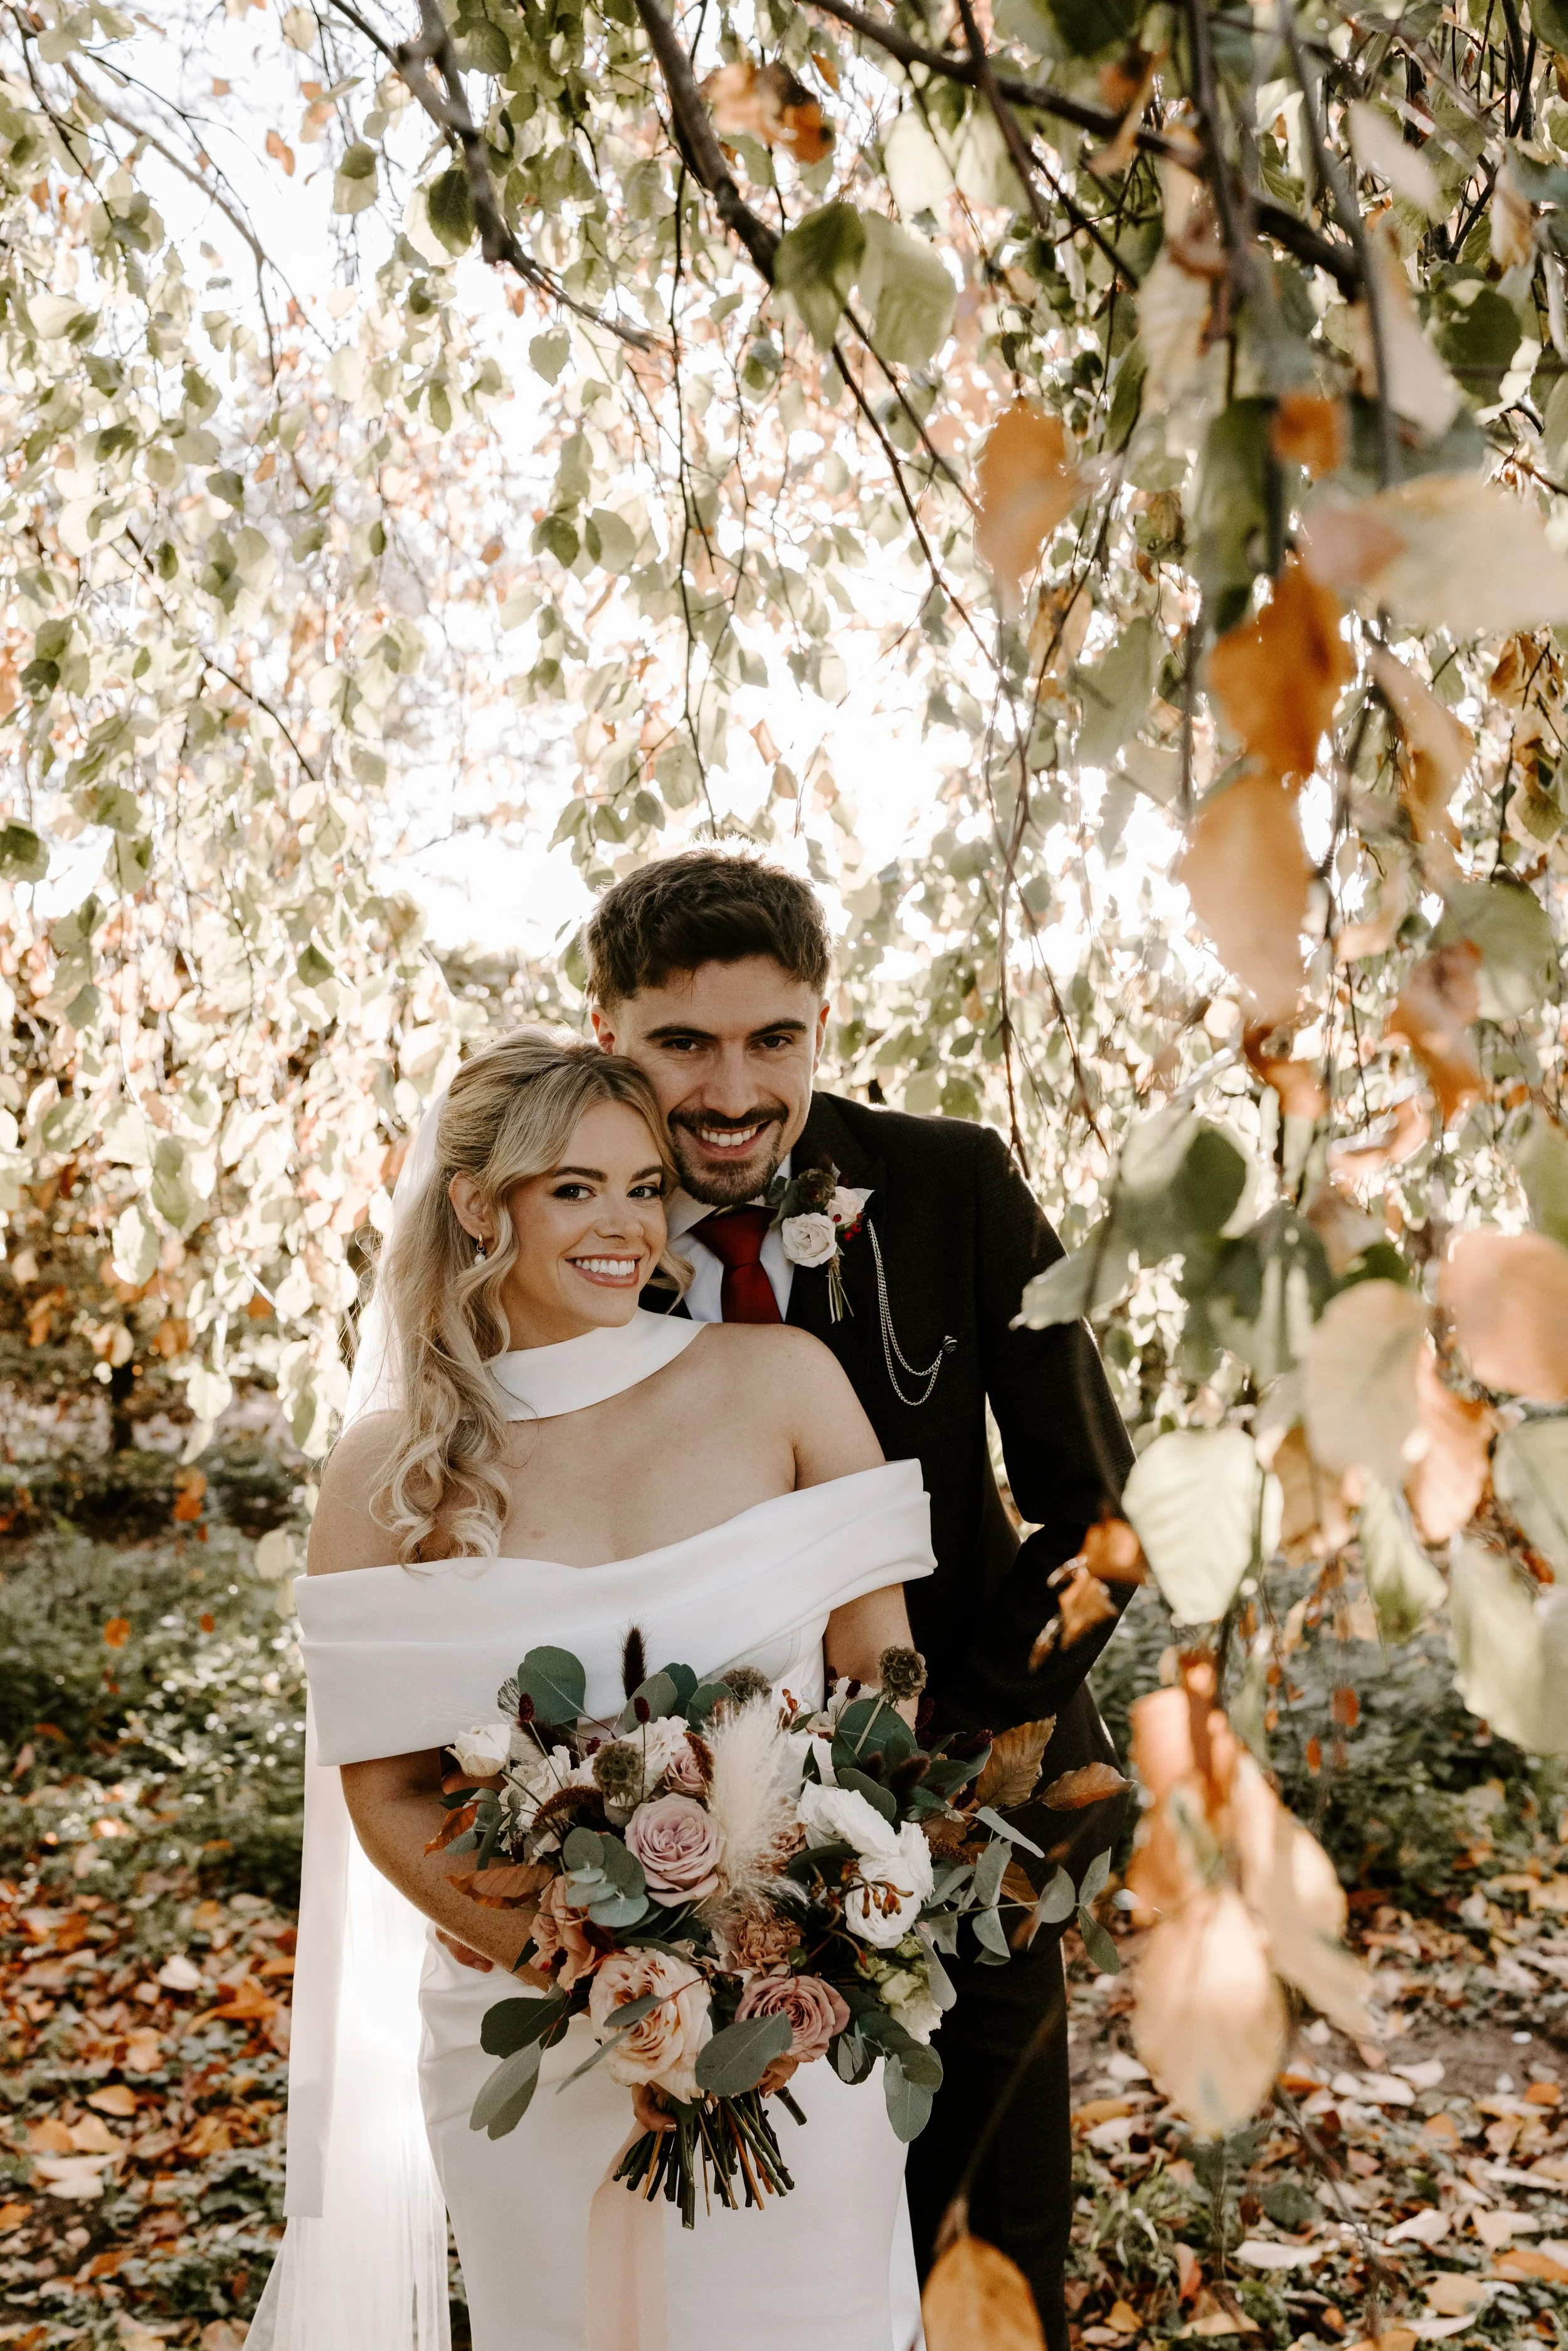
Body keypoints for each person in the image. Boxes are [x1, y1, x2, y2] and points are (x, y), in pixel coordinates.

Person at [245, 1028, 938, 2351]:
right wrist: (591, 1965)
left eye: (640, 1187)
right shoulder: (387, 1471)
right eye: (574, 1188)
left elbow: (881, 1667)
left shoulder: (779, 1380)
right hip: (532, 2023)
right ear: (474, 1202)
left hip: (785, 2010)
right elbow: (382, 1786)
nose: (624, 1225)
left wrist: (799, 1918)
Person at [585, 849, 1136, 2348]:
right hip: (679, 1848)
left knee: (982, 2236)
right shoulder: (563, 1231)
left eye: (772, 1037)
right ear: (604, 1030)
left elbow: (1101, 1513)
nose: (729, 1088)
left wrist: (964, 1742)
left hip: (976, 1814)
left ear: (823, 1024)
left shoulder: (952, 1183)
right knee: (736, 2254)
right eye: (681, 1041)